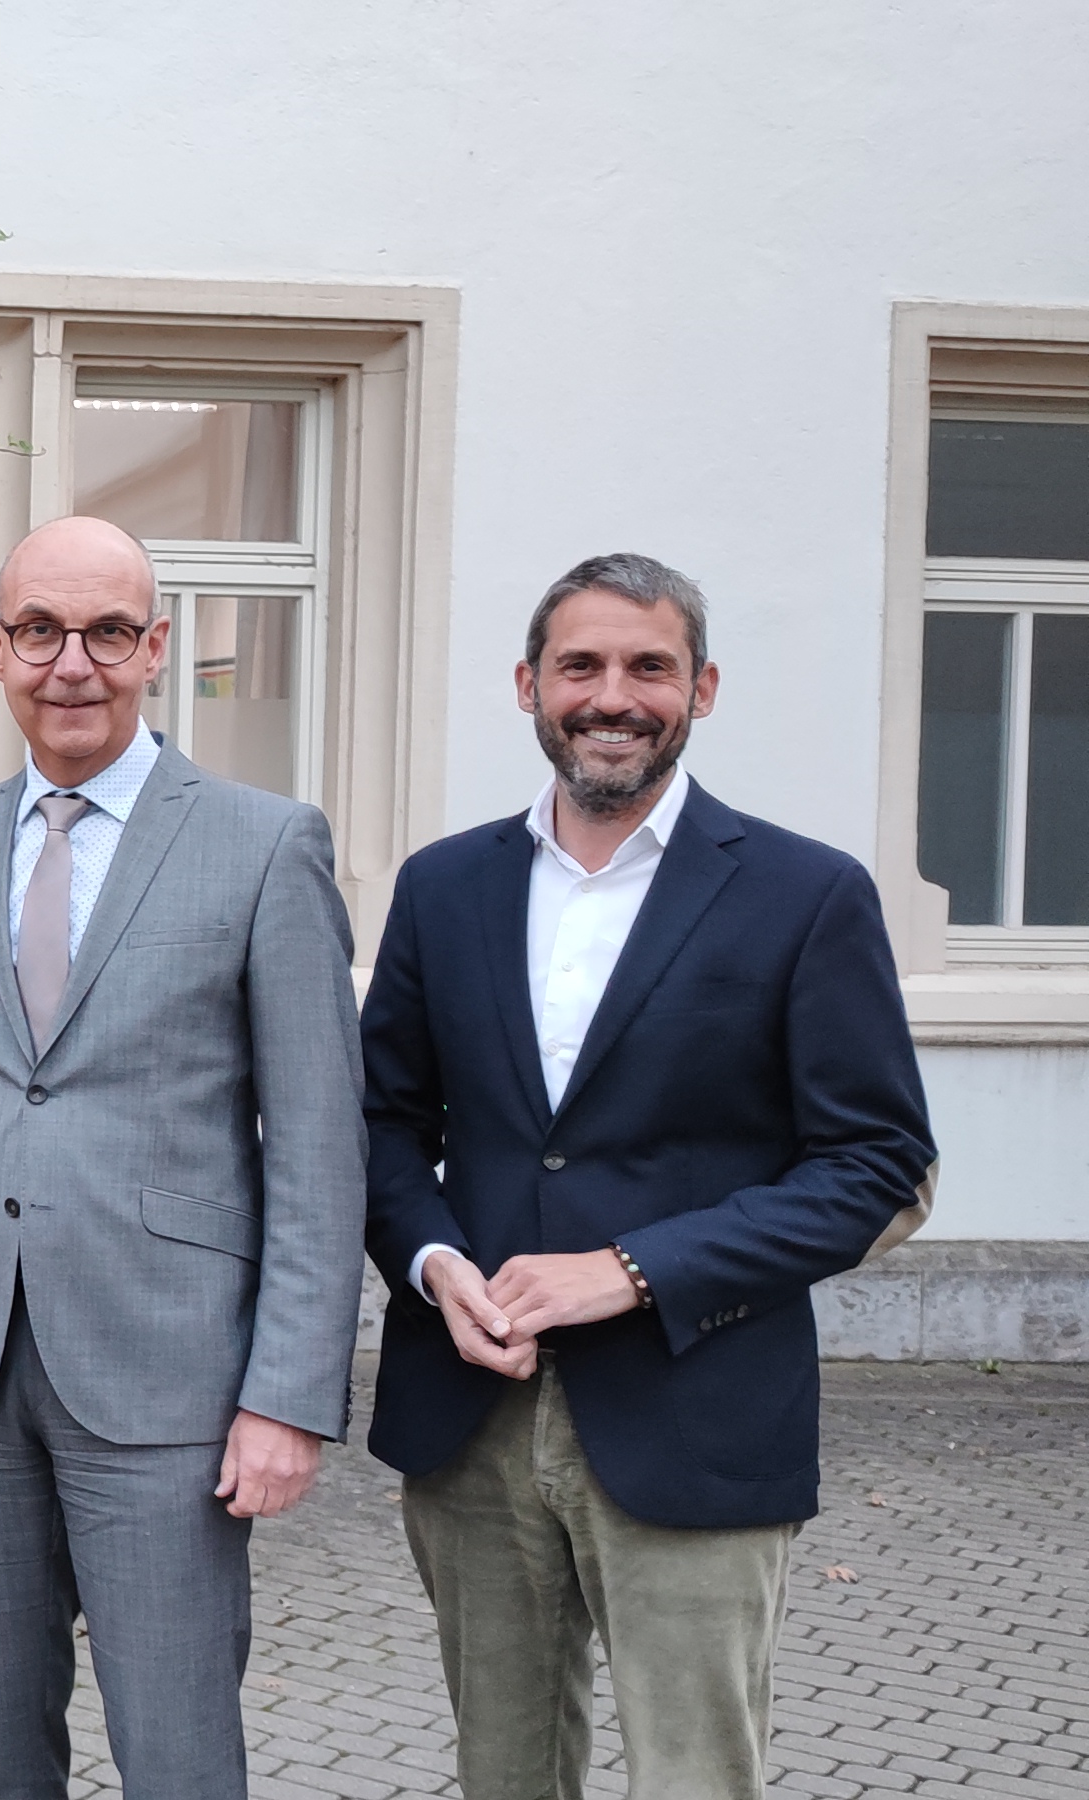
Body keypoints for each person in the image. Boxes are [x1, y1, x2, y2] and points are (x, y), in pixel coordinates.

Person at [362, 554, 934, 1800]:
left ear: (701, 689)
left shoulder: (804, 893)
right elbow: (379, 1126)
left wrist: (628, 1272)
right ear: (528, 684)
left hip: (697, 1408)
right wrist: (434, 1262)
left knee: (693, 1777)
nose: (610, 695)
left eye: (647, 667)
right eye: (580, 665)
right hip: (472, 1417)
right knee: (503, 1773)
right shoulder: (444, 886)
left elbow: (879, 1166)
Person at [0, 515, 366, 1800]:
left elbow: (316, 1143)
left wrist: (289, 1395)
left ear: (154, 648)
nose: (69, 663)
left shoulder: (264, 841)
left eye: (103, 633)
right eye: (38, 631)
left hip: (168, 1373)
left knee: (176, 1748)